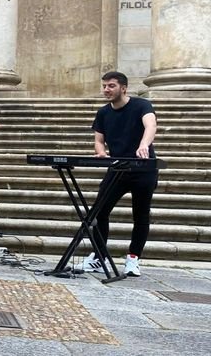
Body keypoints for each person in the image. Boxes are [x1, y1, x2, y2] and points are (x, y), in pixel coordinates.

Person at [80, 71, 159, 277]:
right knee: (99, 211)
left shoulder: (142, 105)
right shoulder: (103, 113)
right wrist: (100, 152)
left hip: (144, 169)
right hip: (117, 169)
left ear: (123, 88)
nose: (106, 89)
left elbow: (151, 125)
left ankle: (133, 259)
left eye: (111, 86)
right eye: (104, 86)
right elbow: (99, 139)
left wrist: (144, 145)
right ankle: (99, 256)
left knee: (140, 214)